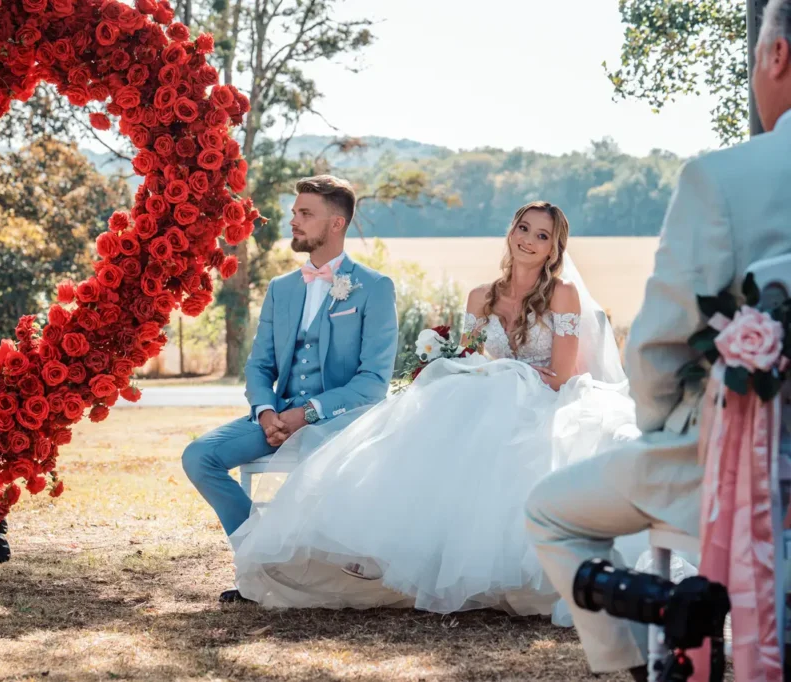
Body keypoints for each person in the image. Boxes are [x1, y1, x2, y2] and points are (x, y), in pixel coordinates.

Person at [524, 2, 791, 679]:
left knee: (550, 511)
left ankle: (639, 665)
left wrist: (661, 427)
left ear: (776, 58)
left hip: (736, 459)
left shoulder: (725, 179)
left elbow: (657, 347)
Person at [231, 201, 642, 618]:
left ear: (554, 249)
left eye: (542, 235)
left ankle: (505, 568)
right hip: (494, 393)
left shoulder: (562, 294)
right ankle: (376, 548)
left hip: (544, 400)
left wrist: (504, 373)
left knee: (490, 426)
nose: (529, 240)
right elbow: (468, 355)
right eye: (523, 227)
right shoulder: (482, 296)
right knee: (428, 421)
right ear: (511, 231)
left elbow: (561, 374)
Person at [181, 174, 399, 602]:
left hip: (341, 422)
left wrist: (307, 414)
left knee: (324, 469)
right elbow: (260, 365)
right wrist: (266, 412)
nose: (293, 220)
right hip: (276, 414)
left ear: (336, 224)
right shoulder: (281, 289)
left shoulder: (374, 288)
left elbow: (373, 383)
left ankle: (314, 571)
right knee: (199, 456)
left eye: (305, 213)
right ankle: (260, 558)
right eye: (294, 212)